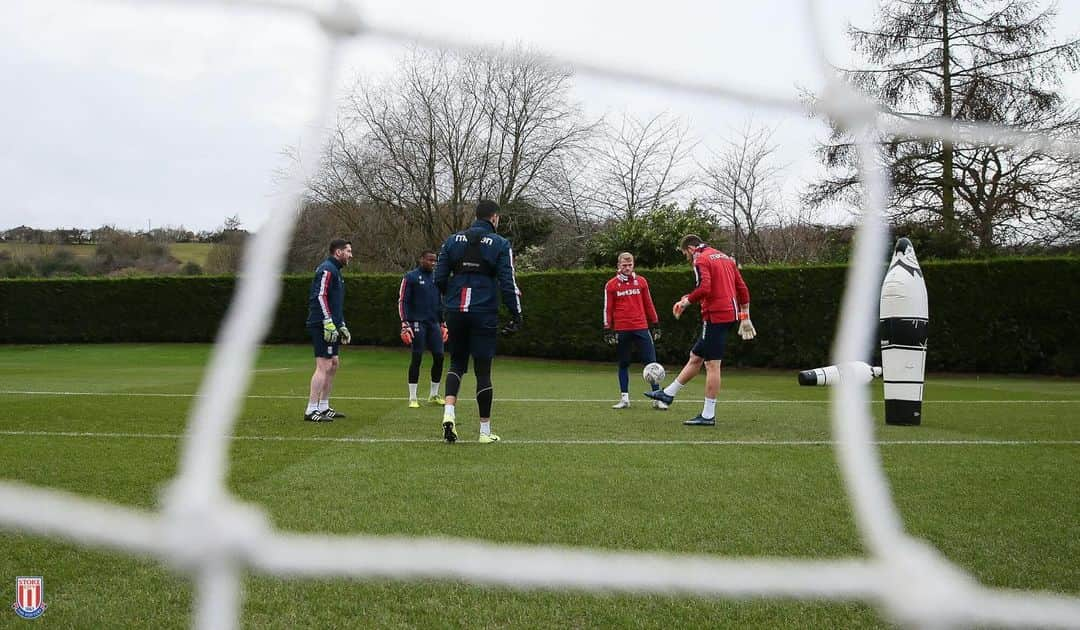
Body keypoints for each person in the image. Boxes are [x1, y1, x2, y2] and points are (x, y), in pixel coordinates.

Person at [433, 200, 523, 444]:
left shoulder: (452, 240)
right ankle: (484, 431)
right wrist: (516, 314)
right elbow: (507, 282)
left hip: (455, 310)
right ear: (494, 218)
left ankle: (448, 413)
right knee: (483, 371)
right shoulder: (501, 243)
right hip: (483, 311)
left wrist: (448, 300)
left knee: (456, 364)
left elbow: (439, 277)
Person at [644, 234, 756, 426]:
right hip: (728, 314)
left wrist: (686, 302)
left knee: (712, 365)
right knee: (696, 356)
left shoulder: (700, 258)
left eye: (685, 254)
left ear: (690, 249)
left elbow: (705, 288)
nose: (687, 258)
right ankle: (668, 394)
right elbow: (742, 288)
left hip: (715, 316)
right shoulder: (724, 257)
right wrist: (744, 316)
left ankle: (708, 415)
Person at [603, 252, 666, 410]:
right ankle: (624, 398)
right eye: (624, 265)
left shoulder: (641, 281)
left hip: (641, 327)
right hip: (622, 329)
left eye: (630, 265)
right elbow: (608, 308)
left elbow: (648, 303)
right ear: (618, 266)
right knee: (623, 363)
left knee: (652, 364)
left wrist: (656, 323)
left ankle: (657, 398)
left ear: (633, 265)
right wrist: (607, 329)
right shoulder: (611, 285)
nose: (627, 268)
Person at [304, 239, 353, 422]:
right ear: (338, 252)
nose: (351, 255)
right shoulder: (326, 269)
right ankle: (311, 409)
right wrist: (327, 321)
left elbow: (335, 304)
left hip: (331, 325)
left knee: (333, 364)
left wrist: (341, 324)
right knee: (323, 365)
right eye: (348, 251)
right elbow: (320, 295)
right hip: (321, 324)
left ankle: (323, 406)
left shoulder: (337, 273)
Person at [398, 250, 447, 408]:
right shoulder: (410, 277)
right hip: (416, 323)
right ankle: (413, 397)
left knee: (439, 356)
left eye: (435, 261)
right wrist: (405, 322)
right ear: (421, 260)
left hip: (433, 323)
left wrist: (443, 322)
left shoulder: (437, 278)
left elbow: (440, 302)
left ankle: (434, 394)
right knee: (417, 357)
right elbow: (403, 301)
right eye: (429, 260)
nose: (433, 263)